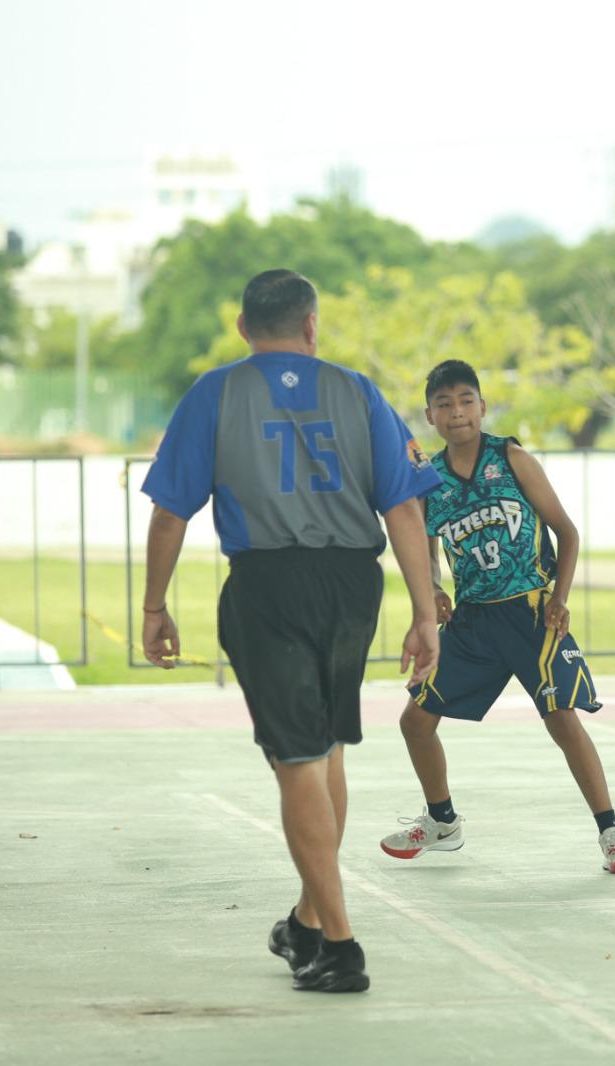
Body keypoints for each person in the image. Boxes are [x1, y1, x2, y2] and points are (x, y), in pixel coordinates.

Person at [140, 270, 443, 994]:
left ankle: (338, 946)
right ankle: (307, 921)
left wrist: (154, 607)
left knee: (299, 759)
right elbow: (404, 509)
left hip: (268, 585)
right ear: (312, 326)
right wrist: (428, 610)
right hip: (351, 584)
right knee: (327, 751)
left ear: (244, 328)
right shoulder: (359, 390)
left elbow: (169, 512)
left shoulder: (213, 393)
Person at [378, 360, 615, 874]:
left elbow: (567, 532)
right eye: (444, 404)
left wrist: (559, 597)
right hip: (474, 622)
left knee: (562, 720)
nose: (457, 411)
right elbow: (424, 549)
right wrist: (433, 588)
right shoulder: (428, 480)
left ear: (481, 406)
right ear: (431, 415)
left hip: (531, 614)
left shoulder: (512, 458)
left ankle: (612, 834)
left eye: (465, 400)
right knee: (415, 721)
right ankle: (442, 821)